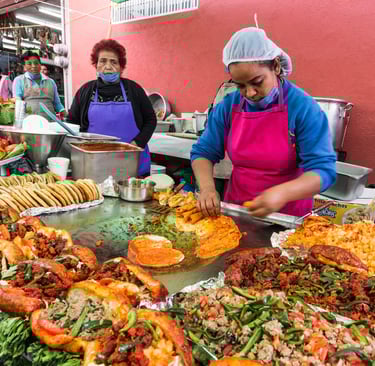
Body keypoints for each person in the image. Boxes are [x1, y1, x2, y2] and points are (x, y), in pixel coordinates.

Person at [191, 27, 336, 218]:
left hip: (287, 217)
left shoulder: (302, 107)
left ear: (276, 66)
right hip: (238, 211)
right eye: (240, 85)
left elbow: (323, 171)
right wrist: (208, 189)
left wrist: (282, 193)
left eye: (257, 82)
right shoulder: (229, 106)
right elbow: (203, 152)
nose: (250, 93)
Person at [68, 39, 156, 176]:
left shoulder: (134, 90)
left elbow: (151, 119)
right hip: (94, 163)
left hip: (132, 160)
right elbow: (71, 124)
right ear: (95, 65)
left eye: (113, 62)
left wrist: (137, 143)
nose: (108, 66)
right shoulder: (85, 91)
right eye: (102, 61)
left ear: (121, 67)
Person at [12, 51, 65, 120]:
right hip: (29, 122)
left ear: (40, 64)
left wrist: (64, 112)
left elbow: (57, 103)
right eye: (29, 64)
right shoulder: (19, 80)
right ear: (24, 67)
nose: (33, 66)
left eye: (36, 63)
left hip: (50, 122)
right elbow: (18, 100)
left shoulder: (51, 82)